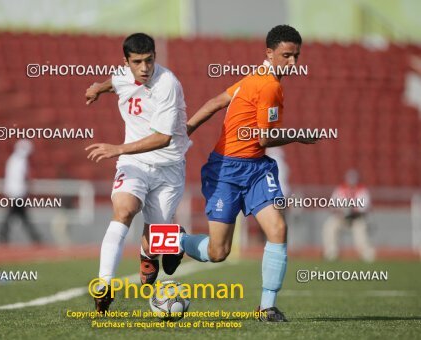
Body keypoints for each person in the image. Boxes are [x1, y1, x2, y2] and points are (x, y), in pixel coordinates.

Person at [183, 25, 321, 322]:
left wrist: (187, 129)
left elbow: (215, 102)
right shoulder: (268, 84)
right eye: (287, 55)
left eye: (296, 56)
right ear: (269, 53)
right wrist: (299, 134)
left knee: (278, 230)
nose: (293, 63)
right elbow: (263, 138)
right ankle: (178, 241)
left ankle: (267, 307)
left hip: (257, 169)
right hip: (228, 169)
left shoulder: (254, 78)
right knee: (218, 252)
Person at [84, 33, 190, 312]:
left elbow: (163, 138)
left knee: (153, 241)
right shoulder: (123, 75)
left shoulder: (167, 83)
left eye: (149, 61)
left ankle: (163, 245)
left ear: (156, 57)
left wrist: (117, 149)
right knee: (124, 209)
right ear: (127, 62)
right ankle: (104, 284)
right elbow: (115, 83)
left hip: (168, 167)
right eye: (137, 62)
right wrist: (97, 88)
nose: (144, 68)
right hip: (135, 163)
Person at [322, 169, 375, 262]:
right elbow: (332, 205)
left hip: (357, 219)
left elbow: (364, 207)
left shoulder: (362, 190)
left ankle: (366, 254)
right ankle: (331, 253)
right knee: (330, 226)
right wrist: (341, 211)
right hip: (342, 218)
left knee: (360, 230)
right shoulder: (340, 189)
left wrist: (351, 210)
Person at [0, 140, 42, 244]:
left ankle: (34, 237)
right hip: (18, 193)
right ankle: (34, 237)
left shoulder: (12, 159)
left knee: (19, 215)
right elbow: (23, 178)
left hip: (13, 192)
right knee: (17, 215)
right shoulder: (22, 161)